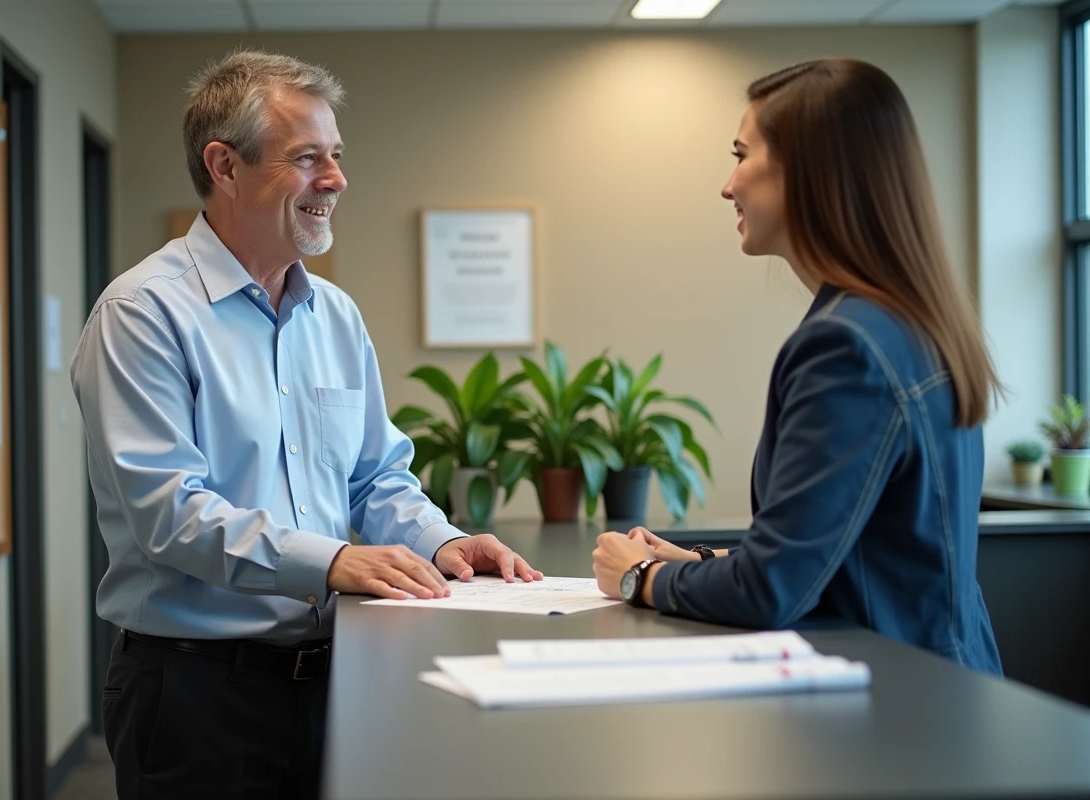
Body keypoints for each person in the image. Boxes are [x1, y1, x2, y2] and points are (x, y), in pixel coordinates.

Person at [71, 50, 542, 800]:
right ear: (224, 166)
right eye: (307, 158)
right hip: (197, 694)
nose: (336, 179)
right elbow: (170, 514)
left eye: (337, 156)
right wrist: (329, 563)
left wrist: (442, 541)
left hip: (334, 681)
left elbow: (375, 475)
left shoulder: (336, 315)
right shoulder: (142, 314)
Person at [592, 58, 1003, 675]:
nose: (727, 186)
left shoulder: (847, 347)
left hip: (894, 704)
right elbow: (838, 557)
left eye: (740, 155)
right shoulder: (907, 321)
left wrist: (642, 578)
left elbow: (773, 590)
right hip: (936, 684)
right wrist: (696, 566)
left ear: (807, 173)